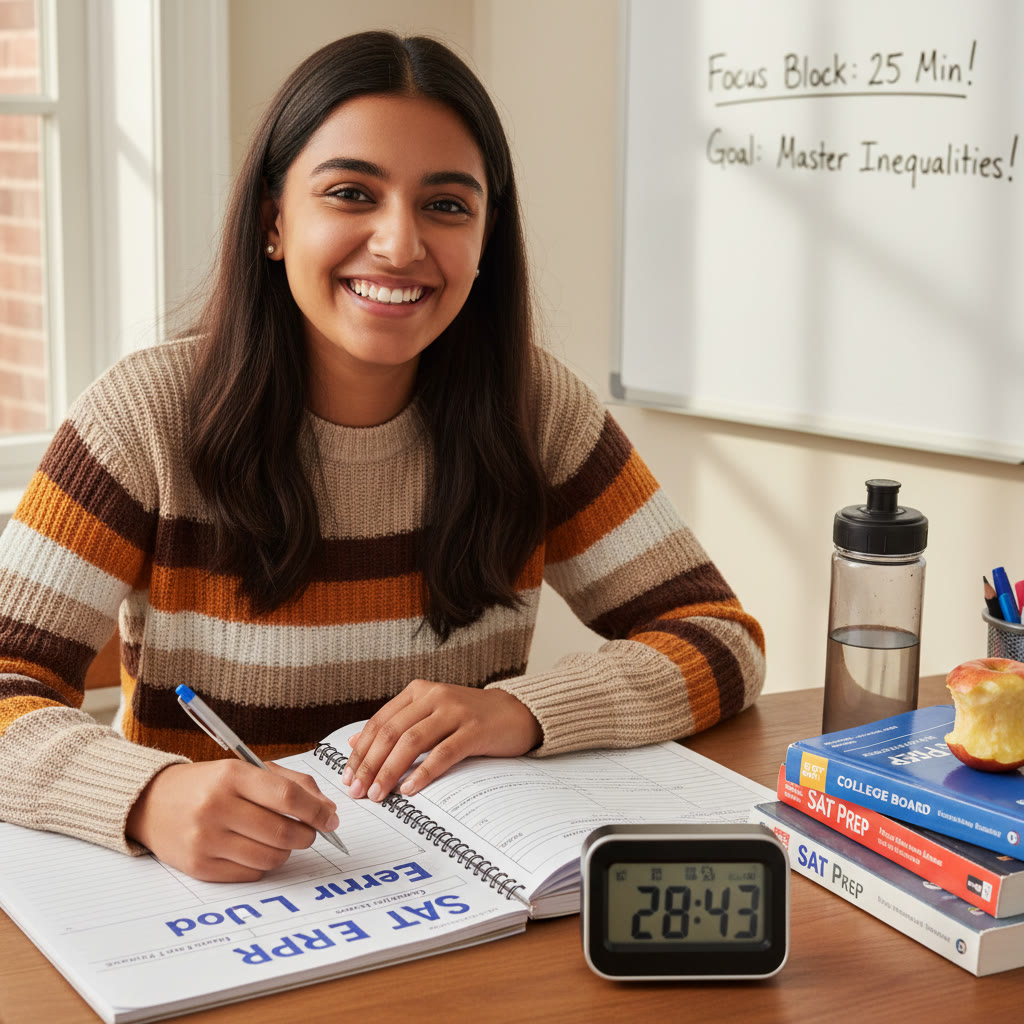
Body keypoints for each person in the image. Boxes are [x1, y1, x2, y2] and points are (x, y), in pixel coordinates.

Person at [0, 31, 765, 883]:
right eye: (352, 194)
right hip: (216, 910)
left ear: (486, 239)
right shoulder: (144, 415)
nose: (400, 244)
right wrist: (149, 796)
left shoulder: (536, 410)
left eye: (446, 205)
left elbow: (719, 640)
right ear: (274, 221)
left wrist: (522, 711)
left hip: (457, 908)